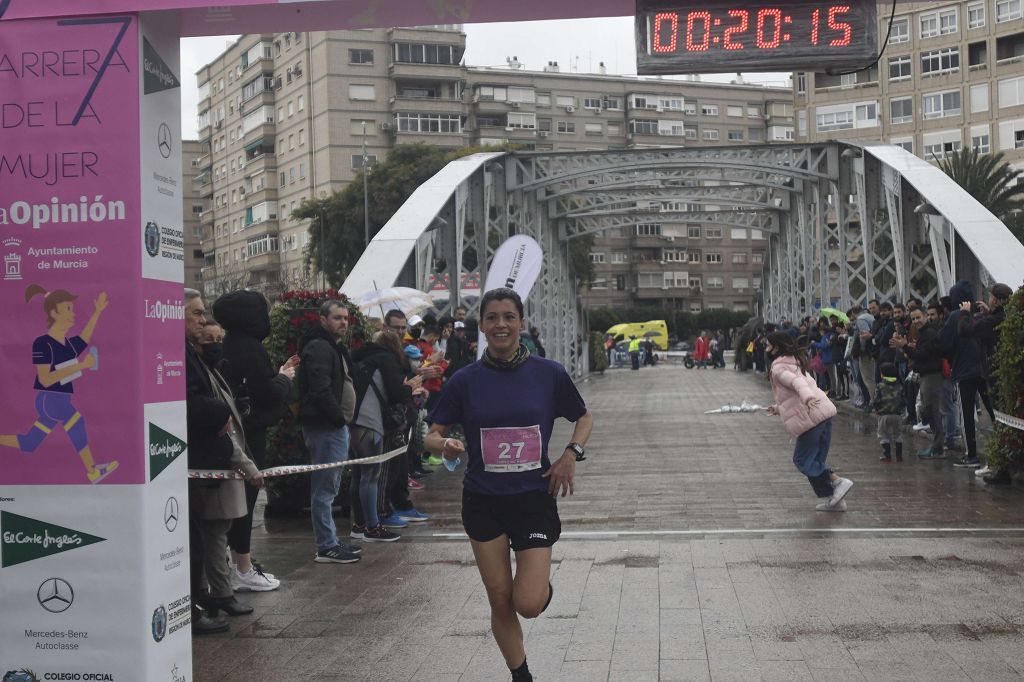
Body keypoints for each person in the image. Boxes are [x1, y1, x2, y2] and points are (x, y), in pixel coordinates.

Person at [424, 288, 593, 682]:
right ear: (482, 325)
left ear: (520, 322)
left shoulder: (548, 374)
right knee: (500, 599)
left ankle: (538, 587)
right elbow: (431, 433)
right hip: (483, 500)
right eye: (492, 318)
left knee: (528, 603)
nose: (500, 324)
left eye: (508, 317)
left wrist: (571, 454)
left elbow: (584, 417)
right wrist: (444, 442)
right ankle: (521, 675)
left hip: (533, 497)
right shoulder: (465, 381)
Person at [184, 292, 263, 633]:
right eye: (198, 315)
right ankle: (213, 596)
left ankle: (210, 595)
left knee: (212, 533)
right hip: (207, 459)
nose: (203, 322)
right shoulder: (186, 358)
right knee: (210, 534)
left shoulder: (206, 362)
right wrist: (222, 413)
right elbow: (193, 403)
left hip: (216, 460)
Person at [213, 290, 298, 592]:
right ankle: (243, 566)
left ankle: (236, 564)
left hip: (236, 430)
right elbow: (268, 392)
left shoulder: (230, 344)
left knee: (236, 500)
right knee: (245, 500)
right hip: (249, 433)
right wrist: (285, 378)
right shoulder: (250, 348)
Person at [1, 284, 117, 483]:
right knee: (77, 423)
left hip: (57, 399)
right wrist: (81, 365)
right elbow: (45, 379)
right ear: (54, 313)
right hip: (51, 399)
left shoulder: (67, 343)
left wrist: (97, 311)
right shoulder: (42, 343)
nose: (73, 314)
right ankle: (92, 471)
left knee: (30, 443)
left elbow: (84, 338)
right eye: (68, 310)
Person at [297, 299, 362, 564]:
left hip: (333, 427)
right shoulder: (320, 348)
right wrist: (338, 419)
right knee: (325, 489)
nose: (343, 323)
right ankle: (326, 546)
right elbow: (320, 389)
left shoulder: (333, 348)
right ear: (323, 320)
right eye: (337, 318)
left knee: (329, 487)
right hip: (326, 427)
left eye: (346, 318)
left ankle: (331, 540)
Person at [349, 329, 426, 542]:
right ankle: (373, 527)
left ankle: (359, 524)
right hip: (371, 422)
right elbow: (396, 394)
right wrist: (410, 387)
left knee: (358, 475)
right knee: (371, 476)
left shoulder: (360, 358)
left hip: (354, 422)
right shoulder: (386, 360)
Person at [764, 331, 853, 512]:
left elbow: (799, 385)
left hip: (811, 416)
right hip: (822, 413)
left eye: (768, 345)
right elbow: (793, 395)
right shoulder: (795, 362)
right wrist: (779, 408)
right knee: (815, 460)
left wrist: (807, 398)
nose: (765, 348)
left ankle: (837, 482)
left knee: (803, 459)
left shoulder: (779, 368)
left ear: (777, 347)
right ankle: (834, 500)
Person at [961, 283, 1012, 483]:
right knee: (1001, 420)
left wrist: (965, 313)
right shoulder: (1004, 316)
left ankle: (1002, 469)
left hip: (995, 375)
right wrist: (989, 313)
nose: (988, 299)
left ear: (997, 300)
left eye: (991, 296)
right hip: (1001, 374)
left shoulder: (994, 320)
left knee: (1000, 421)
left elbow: (966, 330)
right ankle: (1001, 465)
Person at [939, 281, 993, 469]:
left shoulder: (955, 316)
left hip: (963, 371)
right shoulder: (980, 314)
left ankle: (971, 455)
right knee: (993, 410)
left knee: (967, 415)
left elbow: (944, 344)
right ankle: (1002, 449)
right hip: (982, 370)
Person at [892, 304, 946, 459]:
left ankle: (938, 448)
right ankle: (937, 446)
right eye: (913, 318)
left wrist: (905, 347)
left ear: (924, 316)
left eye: (918, 317)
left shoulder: (929, 333)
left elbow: (922, 355)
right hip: (926, 374)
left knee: (933, 410)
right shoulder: (925, 333)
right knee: (930, 410)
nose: (916, 321)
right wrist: (908, 347)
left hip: (931, 375)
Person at [874, 362, 905, 462]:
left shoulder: (880, 386)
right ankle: (899, 456)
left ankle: (887, 455)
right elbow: (904, 400)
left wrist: (877, 410)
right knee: (898, 434)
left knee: (883, 434)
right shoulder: (900, 385)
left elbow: (876, 401)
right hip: (897, 415)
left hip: (884, 415)